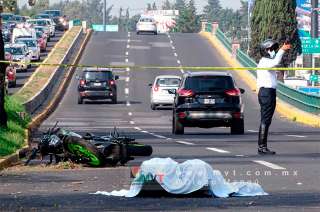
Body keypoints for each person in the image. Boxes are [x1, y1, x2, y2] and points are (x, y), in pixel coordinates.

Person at [257, 39, 291, 155]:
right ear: (265, 51)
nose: (273, 51)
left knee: (267, 120)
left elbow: (275, 61)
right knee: (265, 120)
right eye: (271, 49)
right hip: (266, 92)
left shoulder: (267, 62)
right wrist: (282, 50)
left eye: (273, 49)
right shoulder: (264, 62)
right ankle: (262, 147)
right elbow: (276, 62)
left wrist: (281, 50)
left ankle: (262, 146)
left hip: (269, 92)